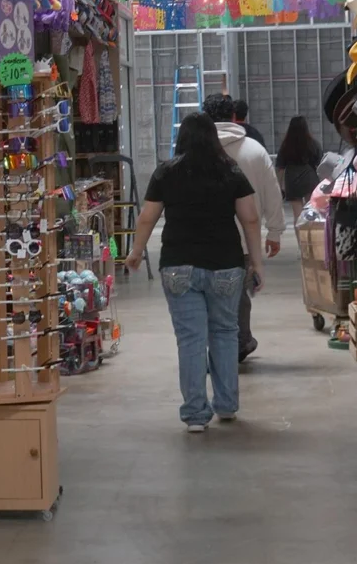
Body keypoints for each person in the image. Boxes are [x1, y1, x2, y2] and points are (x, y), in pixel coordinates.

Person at [127, 113, 265, 432]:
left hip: (179, 265)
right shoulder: (230, 171)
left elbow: (147, 217)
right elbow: (251, 219)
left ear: (182, 138)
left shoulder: (166, 172)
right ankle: (227, 405)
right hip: (226, 266)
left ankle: (194, 415)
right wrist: (256, 263)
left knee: (190, 339)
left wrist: (136, 252)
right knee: (225, 333)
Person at [203, 93, 285, 363]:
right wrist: (274, 232)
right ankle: (239, 342)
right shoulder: (255, 150)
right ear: (234, 116)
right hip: (244, 240)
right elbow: (272, 192)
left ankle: (215, 345)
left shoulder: (195, 151)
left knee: (208, 295)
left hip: (202, 239)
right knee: (238, 294)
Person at [276, 116, 323, 228]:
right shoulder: (313, 143)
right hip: (309, 177)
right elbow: (320, 163)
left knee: (297, 214)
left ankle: (300, 244)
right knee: (311, 211)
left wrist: (278, 186)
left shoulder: (286, 145)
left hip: (292, 179)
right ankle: (310, 239)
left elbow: (280, 168)